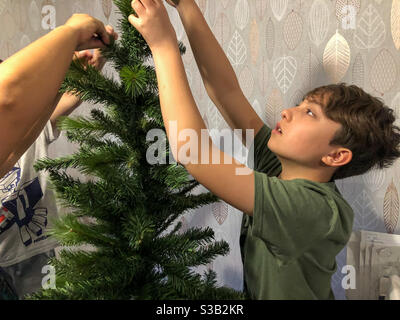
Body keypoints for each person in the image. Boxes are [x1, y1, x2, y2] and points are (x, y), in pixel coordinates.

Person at [128, 0, 400, 299]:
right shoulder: (283, 169)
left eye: (310, 113)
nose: (287, 112)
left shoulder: (315, 210)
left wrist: (164, 46)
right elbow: (225, 91)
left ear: (335, 156)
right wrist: (186, 6)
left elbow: (193, 152)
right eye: (300, 105)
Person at [0, 14, 117, 299]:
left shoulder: (27, 128)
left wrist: (84, 71)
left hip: (34, 252)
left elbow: (45, 107)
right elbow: (9, 95)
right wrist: (71, 32)